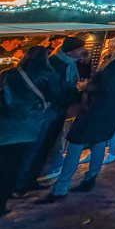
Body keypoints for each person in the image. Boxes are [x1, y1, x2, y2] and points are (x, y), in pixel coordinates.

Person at [38, 36, 115, 203]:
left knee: (74, 144)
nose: (109, 47)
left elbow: (105, 88)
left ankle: (60, 188)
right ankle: (90, 178)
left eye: (112, 45)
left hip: (95, 110)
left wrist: (86, 86)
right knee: (99, 142)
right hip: (109, 112)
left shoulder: (114, 65)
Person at [17, 37, 88, 194]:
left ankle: (29, 180)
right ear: (72, 51)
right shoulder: (56, 64)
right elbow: (55, 90)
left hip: (57, 111)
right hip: (49, 112)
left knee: (44, 147)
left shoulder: (70, 64)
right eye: (80, 49)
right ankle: (21, 184)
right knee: (36, 147)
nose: (84, 52)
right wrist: (76, 92)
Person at [0, 47, 58, 215]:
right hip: (27, 126)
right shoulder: (49, 74)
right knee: (12, 166)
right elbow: (53, 97)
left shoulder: (9, 73)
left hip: (5, 123)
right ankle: (3, 201)